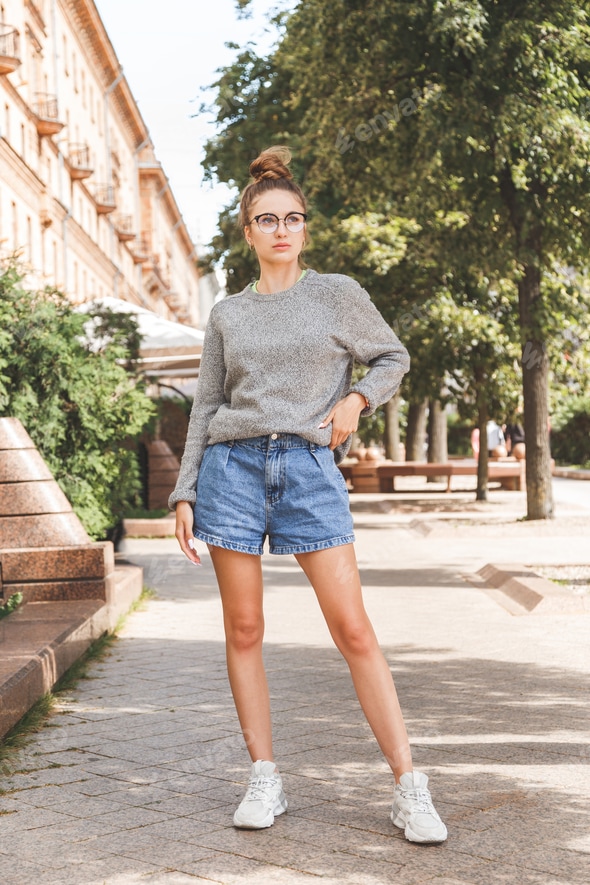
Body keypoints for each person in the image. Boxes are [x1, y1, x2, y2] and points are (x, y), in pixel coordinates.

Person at [170, 146, 447, 844]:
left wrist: (356, 399)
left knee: (353, 629)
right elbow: (205, 406)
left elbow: (393, 356)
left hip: (308, 470)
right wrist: (184, 491)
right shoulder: (228, 314)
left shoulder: (337, 294)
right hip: (231, 472)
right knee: (244, 630)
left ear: (305, 228)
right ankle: (264, 775)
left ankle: (408, 785)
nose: (281, 230)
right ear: (248, 231)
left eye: (292, 218)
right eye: (267, 220)